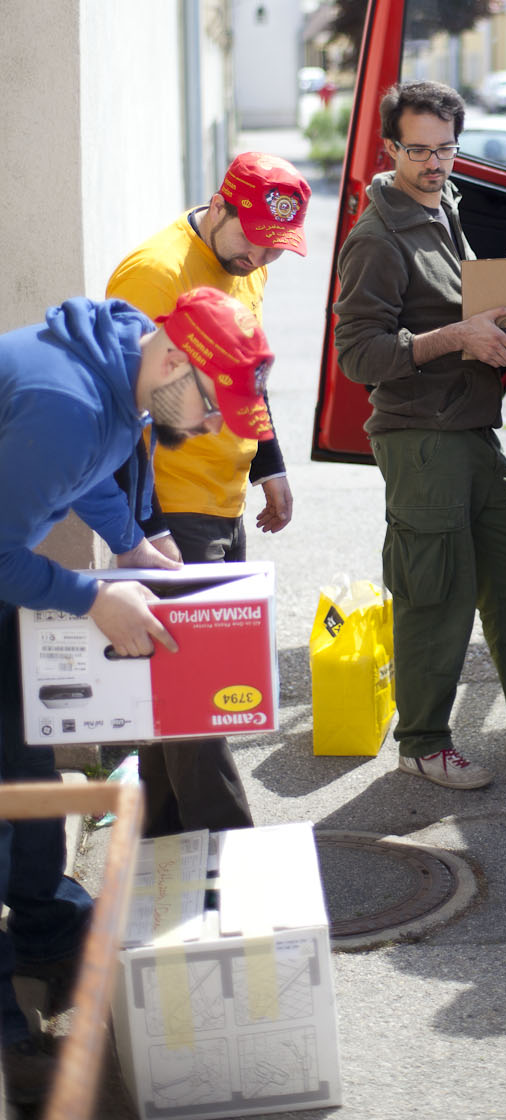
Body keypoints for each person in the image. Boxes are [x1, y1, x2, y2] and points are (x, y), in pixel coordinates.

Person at [0, 285, 275, 1108]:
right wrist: (94, 596)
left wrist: (134, 545)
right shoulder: (67, 402)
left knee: (25, 748)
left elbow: (87, 473)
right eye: (209, 406)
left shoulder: (124, 374)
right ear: (177, 361)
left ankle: (46, 923)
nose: (206, 426)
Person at [333, 80, 506, 790]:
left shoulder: (446, 207)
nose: (434, 163)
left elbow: (464, 306)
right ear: (390, 148)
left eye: (446, 149)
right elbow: (358, 354)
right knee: (437, 592)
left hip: (471, 425)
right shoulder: (376, 238)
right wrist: (454, 337)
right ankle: (423, 740)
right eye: (418, 150)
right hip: (420, 437)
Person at [106, 151, 310, 836]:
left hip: (221, 501)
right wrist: (147, 529)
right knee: (204, 695)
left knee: (172, 694)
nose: (258, 255)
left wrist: (268, 464)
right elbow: (118, 411)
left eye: (275, 248)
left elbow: (244, 372)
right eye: (249, 236)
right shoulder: (154, 274)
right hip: (171, 510)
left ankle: (161, 848)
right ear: (218, 206)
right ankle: (234, 854)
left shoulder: (244, 266)